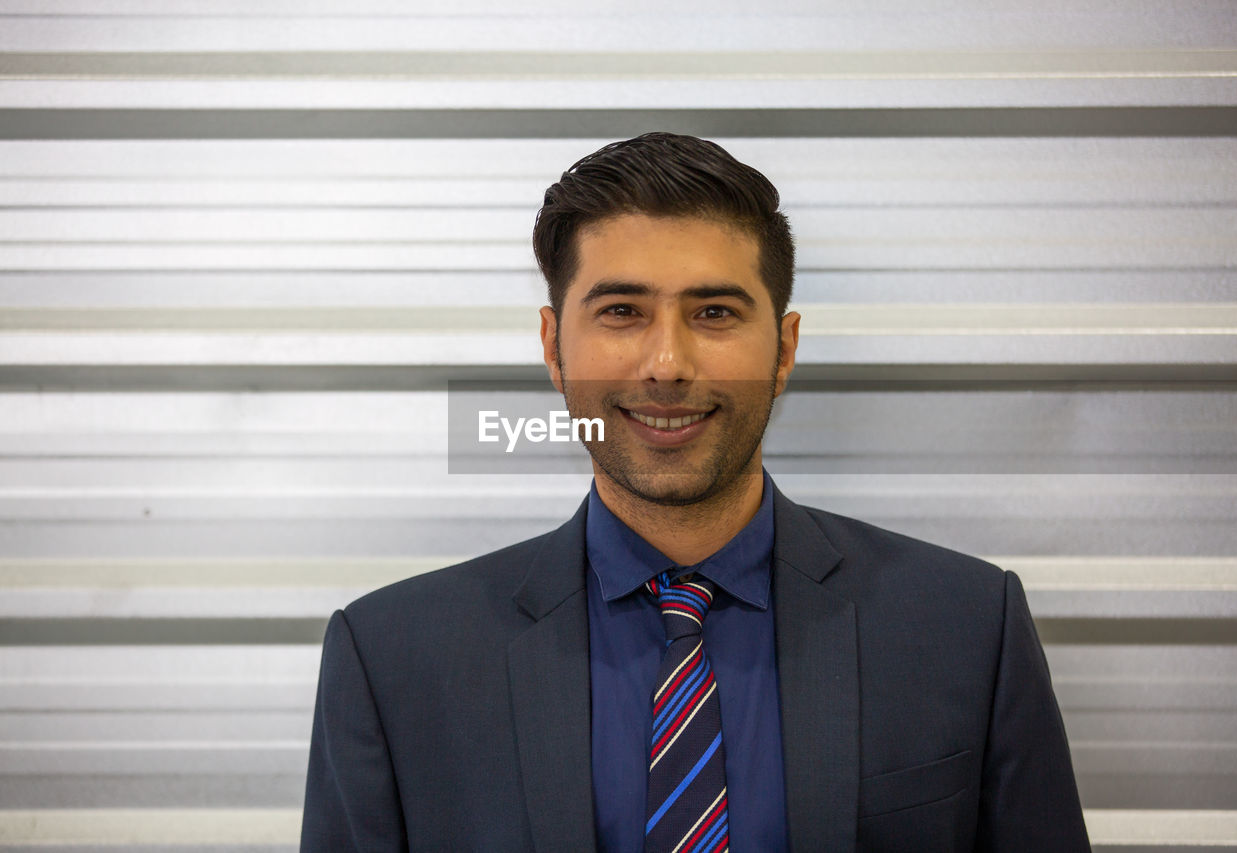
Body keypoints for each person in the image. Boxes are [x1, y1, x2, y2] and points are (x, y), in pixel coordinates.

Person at [301, 132, 1091, 852]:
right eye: (621, 311)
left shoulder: (966, 628)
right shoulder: (392, 661)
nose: (668, 363)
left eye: (714, 311)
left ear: (783, 350)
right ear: (553, 347)